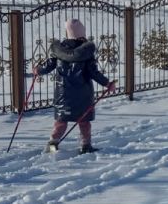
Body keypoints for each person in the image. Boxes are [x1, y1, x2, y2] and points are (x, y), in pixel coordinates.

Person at [34, 18, 115, 153]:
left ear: (67, 33)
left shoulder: (59, 51)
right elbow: (93, 73)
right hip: (83, 94)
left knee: (61, 121)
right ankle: (85, 145)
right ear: (82, 33)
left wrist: (38, 70)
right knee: (84, 121)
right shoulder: (86, 52)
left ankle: (52, 144)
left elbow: (47, 66)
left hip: (63, 94)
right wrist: (107, 83)